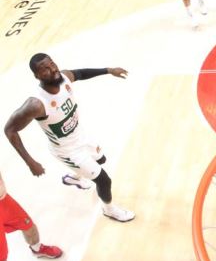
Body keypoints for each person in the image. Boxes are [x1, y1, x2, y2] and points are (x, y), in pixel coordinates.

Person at [4, 54, 135, 223]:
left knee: (101, 160)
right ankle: (109, 210)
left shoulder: (64, 77)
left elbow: (80, 74)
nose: (52, 69)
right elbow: (10, 130)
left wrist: (109, 70)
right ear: (37, 76)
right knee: (104, 180)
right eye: (45, 69)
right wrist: (30, 162)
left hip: (80, 137)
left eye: (52, 64)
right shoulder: (36, 104)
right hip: (67, 151)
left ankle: (75, 177)